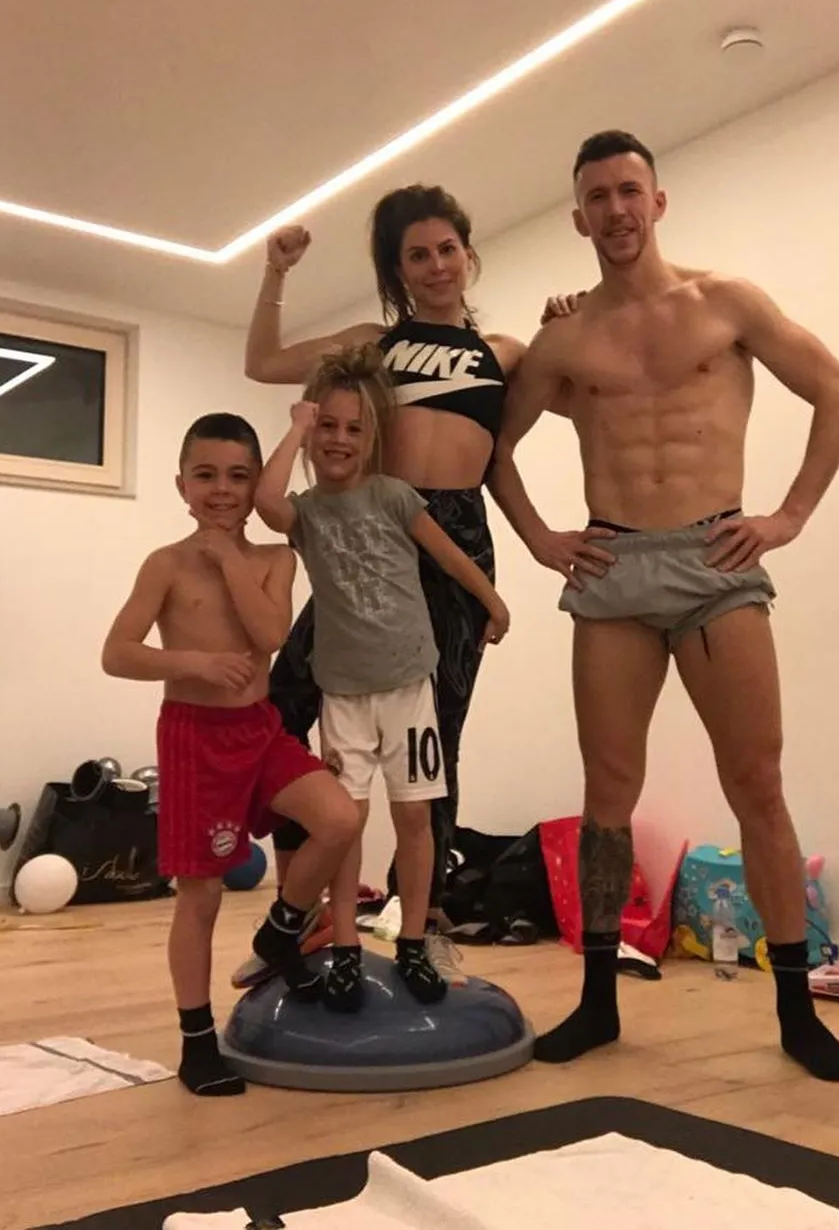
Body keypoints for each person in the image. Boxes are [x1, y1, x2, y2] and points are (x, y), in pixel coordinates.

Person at [488, 130, 839, 1083]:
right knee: (608, 794)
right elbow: (496, 447)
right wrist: (538, 537)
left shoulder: (726, 303)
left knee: (758, 785)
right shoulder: (566, 339)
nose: (616, 210)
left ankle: (796, 1011)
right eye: (598, 197)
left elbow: (838, 393)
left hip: (714, 560)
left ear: (657, 201)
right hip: (612, 567)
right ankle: (599, 1001)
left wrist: (788, 517)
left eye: (630, 191)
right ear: (579, 218)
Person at [234, 183, 572, 989]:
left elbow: (505, 457)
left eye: (446, 249)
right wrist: (276, 272)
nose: (435, 265)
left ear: (468, 254)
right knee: (285, 708)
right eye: (416, 255)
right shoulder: (371, 345)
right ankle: (304, 908)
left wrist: (573, 322)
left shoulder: (506, 352)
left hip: (455, 536)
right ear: (398, 271)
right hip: (368, 537)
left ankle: (424, 924)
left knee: (434, 746)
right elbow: (263, 363)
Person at [101, 413, 360, 1097]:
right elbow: (117, 653)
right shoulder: (164, 564)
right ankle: (196, 1041)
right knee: (203, 892)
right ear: (181, 485)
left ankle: (280, 930)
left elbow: (270, 633)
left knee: (339, 818)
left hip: (260, 730)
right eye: (206, 475)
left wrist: (227, 560)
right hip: (194, 736)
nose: (222, 490)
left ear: (255, 487)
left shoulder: (276, 558)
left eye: (239, 476)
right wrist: (193, 662)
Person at [253, 346, 510, 1012]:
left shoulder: (393, 495)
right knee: (346, 823)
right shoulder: (308, 511)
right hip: (343, 693)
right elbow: (265, 499)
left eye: (353, 428)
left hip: (408, 687)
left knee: (415, 816)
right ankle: (343, 945)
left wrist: (493, 602)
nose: (339, 439)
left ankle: (413, 941)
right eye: (328, 426)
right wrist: (295, 427)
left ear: (372, 438)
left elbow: (450, 558)